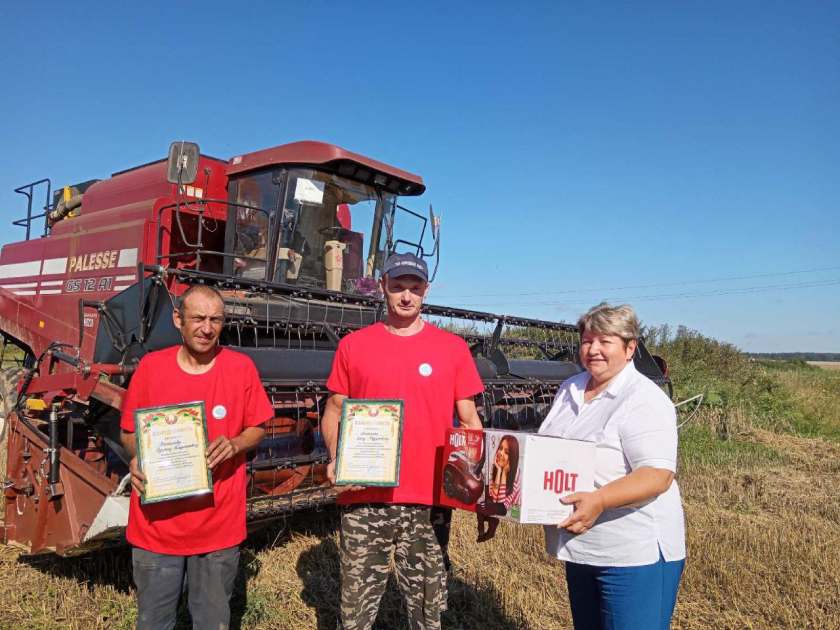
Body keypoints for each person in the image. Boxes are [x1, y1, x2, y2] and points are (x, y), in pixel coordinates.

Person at [321, 252, 487, 630]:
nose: (406, 296)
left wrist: (479, 488)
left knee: (427, 611)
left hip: (428, 499)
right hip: (365, 496)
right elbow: (334, 409)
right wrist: (335, 456)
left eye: (414, 287)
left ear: (426, 291)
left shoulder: (453, 349)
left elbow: (469, 420)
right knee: (355, 612)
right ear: (383, 288)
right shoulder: (354, 346)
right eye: (397, 287)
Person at [120, 285, 273, 630]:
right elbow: (129, 432)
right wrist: (138, 458)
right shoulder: (151, 368)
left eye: (216, 320)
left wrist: (235, 444)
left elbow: (259, 427)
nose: (207, 328)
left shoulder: (240, 368)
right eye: (199, 318)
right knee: (153, 622)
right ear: (178, 319)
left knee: (212, 621)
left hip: (217, 529)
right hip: (156, 528)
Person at [538, 302, 685, 630]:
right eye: (588, 341)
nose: (594, 350)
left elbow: (657, 475)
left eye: (606, 342)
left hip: (633, 552)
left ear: (630, 347)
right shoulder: (571, 388)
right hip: (581, 546)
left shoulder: (644, 398)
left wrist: (600, 500)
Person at [480, 434, 521, 516]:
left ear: (512, 457)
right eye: (500, 448)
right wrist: (499, 471)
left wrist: (504, 474)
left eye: (506, 452)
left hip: (512, 513)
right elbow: (494, 499)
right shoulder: (495, 467)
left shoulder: (516, 475)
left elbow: (501, 505)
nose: (501, 453)